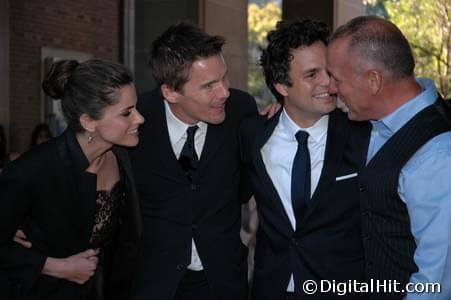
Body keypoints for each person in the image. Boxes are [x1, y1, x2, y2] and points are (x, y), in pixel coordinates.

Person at [239, 19, 370, 299]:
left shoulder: (363, 135)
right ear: (282, 86)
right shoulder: (252, 135)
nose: (328, 82)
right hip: (272, 288)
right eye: (312, 74)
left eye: (329, 71)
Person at [129, 22, 258, 300]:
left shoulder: (242, 110)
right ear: (171, 92)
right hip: (153, 285)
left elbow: (247, 186)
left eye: (224, 78)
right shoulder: (135, 119)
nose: (224, 91)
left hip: (222, 284)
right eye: (209, 85)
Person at [327, 15, 451, 299]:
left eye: (337, 78)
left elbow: (438, 279)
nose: (332, 88)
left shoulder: (436, 154)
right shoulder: (370, 120)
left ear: (373, 81)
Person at [0, 59, 144, 300]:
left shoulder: (126, 156)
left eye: (136, 108)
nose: (139, 118)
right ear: (88, 122)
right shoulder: (32, 171)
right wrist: (56, 266)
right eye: (126, 113)